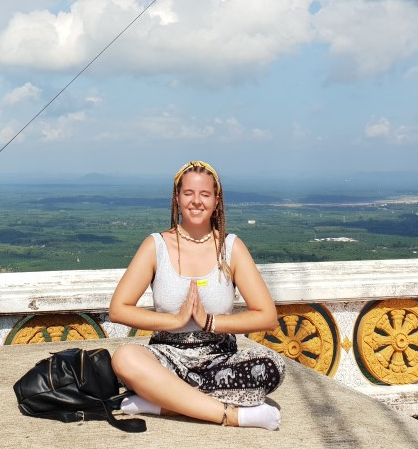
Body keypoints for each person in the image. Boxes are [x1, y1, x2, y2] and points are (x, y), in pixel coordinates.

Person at [108, 161, 286, 430]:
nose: (196, 201)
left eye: (205, 194)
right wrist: (175, 321)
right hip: (167, 357)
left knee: (274, 366)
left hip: (219, 361)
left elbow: (267, 316)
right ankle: (231, 415)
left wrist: (211, 322)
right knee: (124, 358)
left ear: (216, 201)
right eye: (188, 193)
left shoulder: (231, 247)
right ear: (177, 199)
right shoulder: (155, 246)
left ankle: (158, 401)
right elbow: (118, 309)